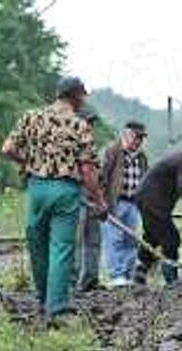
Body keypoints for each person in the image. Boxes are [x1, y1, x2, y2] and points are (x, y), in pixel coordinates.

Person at [1, 76, 107, 319]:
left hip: (36, 188)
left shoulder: (31, 117)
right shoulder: (79, 125)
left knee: (37, 244)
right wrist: (99, 201)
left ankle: (42, 299)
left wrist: (27, 163)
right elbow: (88, 169)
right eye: (83, 95)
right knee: (61, 247)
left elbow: (7, 149)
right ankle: (57, 307)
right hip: (65, 190)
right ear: (77, 95)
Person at [133, 139, 182, 288]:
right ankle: (171, 280)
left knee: (152, 236)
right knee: (171, 240)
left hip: (146, 200)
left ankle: (140, 273)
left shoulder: (178, 160)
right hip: (152, 203)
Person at [99, 121, 149, 287]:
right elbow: (102, 176)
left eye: (141, 138)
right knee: (114, 239)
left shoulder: (141, 156)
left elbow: (145, 178)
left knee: (131, 240)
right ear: (126, 135)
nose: (139, 141)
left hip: (132, 203)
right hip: (115, 201)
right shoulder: (112, 151)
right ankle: (116, 275)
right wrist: (101, 201)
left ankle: (126, 275)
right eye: (136, 137)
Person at [73, 108, 104, 291]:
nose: (90, 126)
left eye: (91, 123)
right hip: (77, 197)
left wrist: (99, 198)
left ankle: (90, 280)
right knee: (75, 240)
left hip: (92, 195)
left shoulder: (90, 143)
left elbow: (95, 172)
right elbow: (84, 171)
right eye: (87, 122)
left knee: (94, 239)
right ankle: (72, 283)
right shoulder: (71, 143)